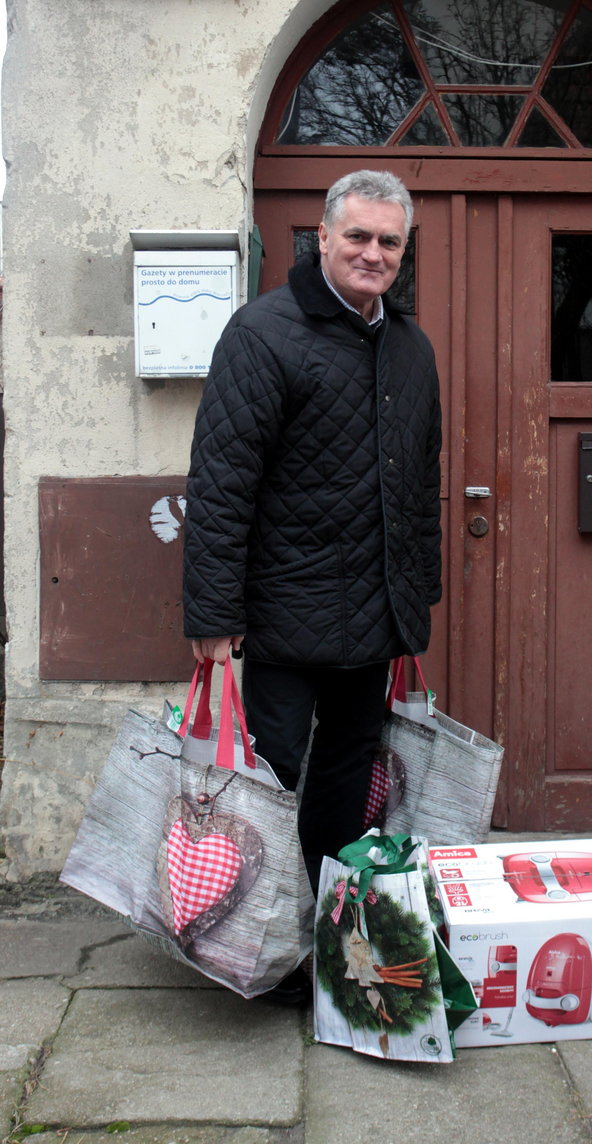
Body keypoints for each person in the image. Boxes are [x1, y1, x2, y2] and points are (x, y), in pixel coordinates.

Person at [182, 170, 442, 1000]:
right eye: (358, 236)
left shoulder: (409, 346)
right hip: (282, 617)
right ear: (322, 238)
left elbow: (418, 483)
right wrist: (213, 614)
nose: (372, 253)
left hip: (371, 617)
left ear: (402, 253)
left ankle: (327, 944)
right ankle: (252, 950)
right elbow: (221, 482)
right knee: (269, 788)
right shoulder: (263, 334)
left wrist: (416, 598)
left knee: (345, 782)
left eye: (388, 242)